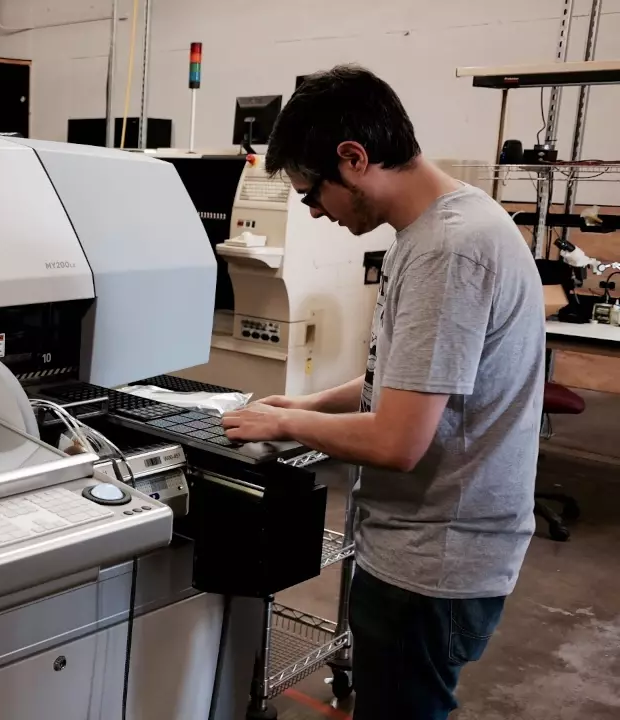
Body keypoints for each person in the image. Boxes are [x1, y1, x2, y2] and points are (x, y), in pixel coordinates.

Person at [221, 65, 545, 719]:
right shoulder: (443, 230)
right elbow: (405, 381)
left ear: (354, 158)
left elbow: (398, 439)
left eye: (313, 194)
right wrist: (307, 405)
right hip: (432, 551)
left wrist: (283, 428)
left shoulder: (448, 252)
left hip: (434, 566)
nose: (316, 212)